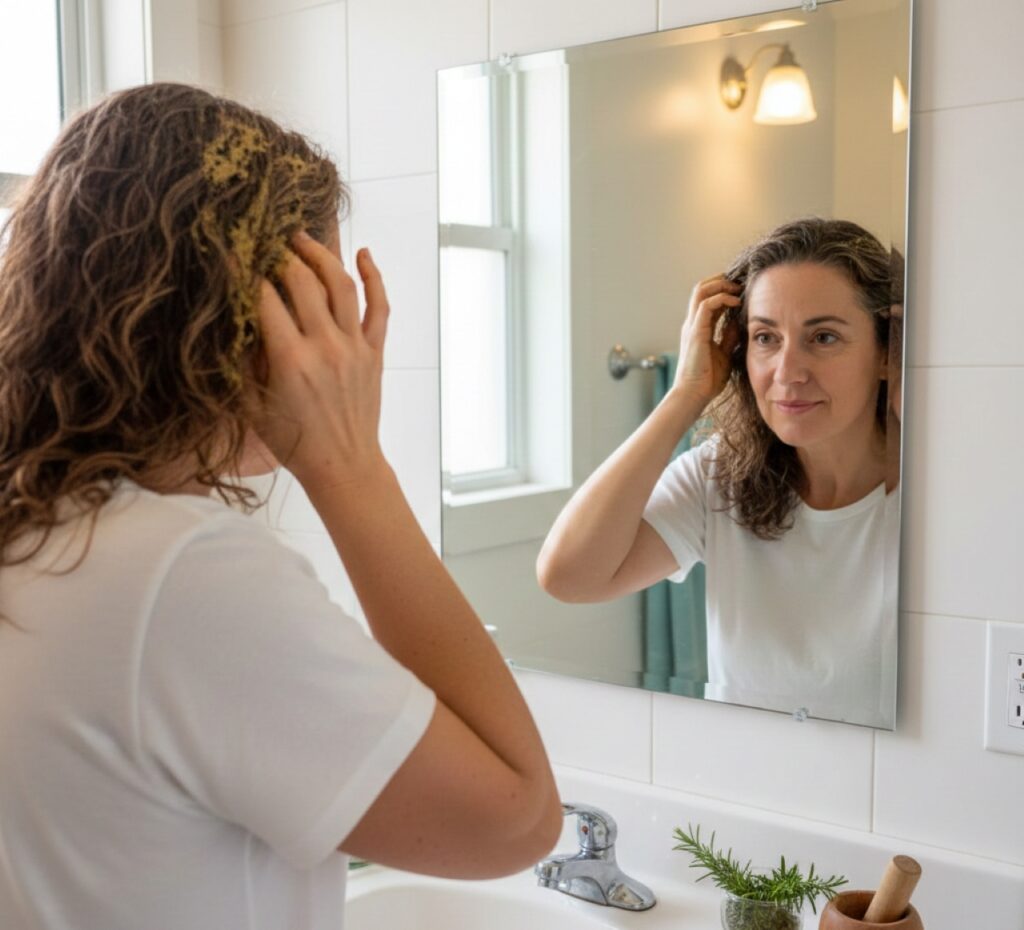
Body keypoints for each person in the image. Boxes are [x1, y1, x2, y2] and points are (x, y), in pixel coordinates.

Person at [0, 83, 560, 930]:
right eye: (320, 296)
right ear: (252, 311)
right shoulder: (174, 572)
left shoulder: (39, 531)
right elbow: (514, 823)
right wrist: (350, 464)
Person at [537, 218, 903, 723]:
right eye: (765, 337)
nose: (787, 371)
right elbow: (569, 577)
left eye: (823, 337)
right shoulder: (721, 474)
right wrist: (686, 392)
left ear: (887, 352)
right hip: (742, 785)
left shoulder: (940, 489)